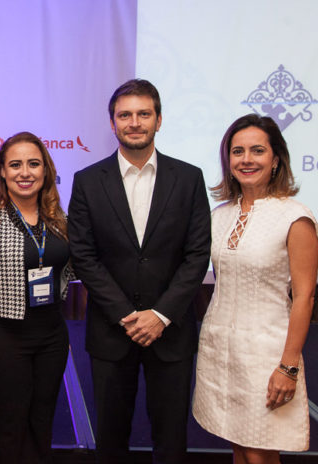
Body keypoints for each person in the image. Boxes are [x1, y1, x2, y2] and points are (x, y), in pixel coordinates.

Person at [67, 79, 211, 464]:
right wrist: (127, 316)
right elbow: (84, 255)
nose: (134, 122)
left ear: (159, 120)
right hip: (113, 331)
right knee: (111, 439)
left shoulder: (189, 178)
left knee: (171, 439)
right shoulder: (87, 181)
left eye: (143, 114)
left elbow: (197, 255)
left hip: (171, 330)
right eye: (124, 115)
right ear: (112, 123)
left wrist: (161, 315)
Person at [193, 114, 318, 463]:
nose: (246, 159)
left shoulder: (296, 217)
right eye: (238, 151)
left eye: (257, 151)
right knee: (238, 445)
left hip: (268, 355)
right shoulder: (219, 215)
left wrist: (288, 367)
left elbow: (305, 297)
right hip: (221, 350)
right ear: (228, 160)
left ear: (276, 158)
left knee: (260, 451)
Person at [0, 131, 75, 463]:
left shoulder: (60, 223)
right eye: (16, 165)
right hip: (3, 338)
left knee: (42, 422)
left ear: (46, 171)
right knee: (8, 425)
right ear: (3, 173)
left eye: (33, 164)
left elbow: (66, 276)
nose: (25, 172)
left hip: (51, 337)